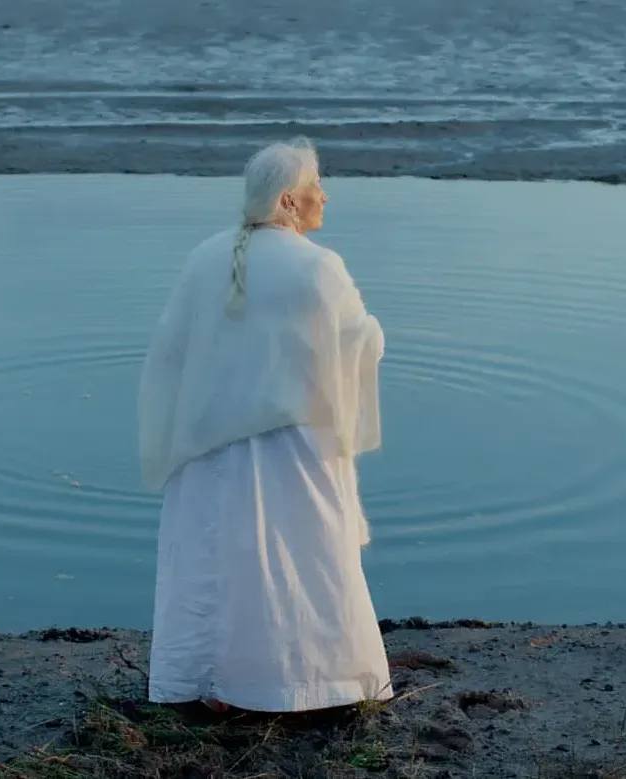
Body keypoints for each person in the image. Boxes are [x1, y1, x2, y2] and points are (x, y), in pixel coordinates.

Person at [136, 137, 393, 713]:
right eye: (315, 188)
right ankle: (312, 685)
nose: (325, 196)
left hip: (204, 445)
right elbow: (355, 343)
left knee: (213, 560)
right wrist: (374, 337)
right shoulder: (320, 267)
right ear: (287, 202)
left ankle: (200, 684)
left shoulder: (205, 256)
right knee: (301, 557)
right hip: (292, 446)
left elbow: (171, 351)